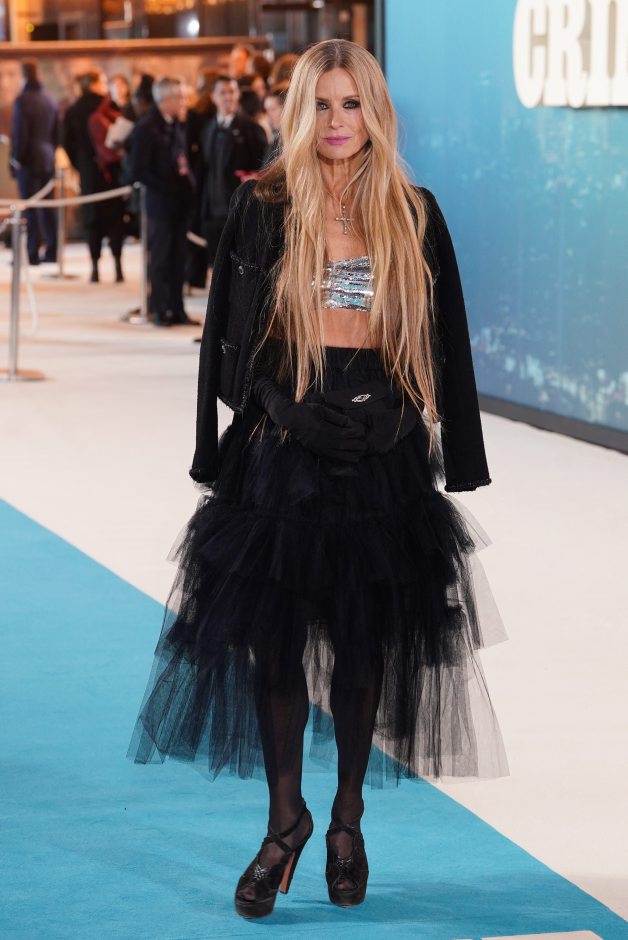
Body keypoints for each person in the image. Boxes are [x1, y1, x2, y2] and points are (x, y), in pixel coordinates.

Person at [127, 39, 509, 919]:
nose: (339, 122)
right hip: (284, 444)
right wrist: (279, 406)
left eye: (353, 104)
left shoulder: (414, 211)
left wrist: (404, 416)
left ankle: (346, 822)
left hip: (381, 447)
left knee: (363, 644)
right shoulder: (264, 207)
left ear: (376, 111)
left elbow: (440, 338)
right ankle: (284, 823)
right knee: (274, 645)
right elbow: (231, 332)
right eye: (323, 105)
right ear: (302, 112)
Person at [129, 77, 199, 327]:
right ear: (166, 100)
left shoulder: (177, 124)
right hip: (160, 204)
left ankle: (177, 308)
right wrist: (166, 185)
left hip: (179, 203)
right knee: (160, 259)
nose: (184, 102)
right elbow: (138, 170)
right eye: (180, 97)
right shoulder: (146, 128)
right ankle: (159, 309)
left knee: (179, 258)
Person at [199, 74, 267, 265]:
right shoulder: (207, 129)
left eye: (232, 91)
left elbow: (264, 168)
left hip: (240, 211)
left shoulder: (252, 129)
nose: (228, 97)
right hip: (213, 211)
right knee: (216, 266)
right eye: (223, 92)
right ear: (213, 97)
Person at [63, 70, 113, 283]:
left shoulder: (73, 110)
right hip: (110, 172)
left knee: (92, 220)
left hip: (88, 172)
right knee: (114, 218)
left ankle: (94, 267)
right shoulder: (108, 105)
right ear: (94, 83)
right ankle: (118, 266)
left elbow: (67, 143)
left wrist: (80, 165)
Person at [10, 60, 58, 265]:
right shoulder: (50, 99)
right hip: (47, 158)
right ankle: (52, 251)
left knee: (30, 207)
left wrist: (16, 159)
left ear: (23, 76)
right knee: (48, 206)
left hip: (29, 160)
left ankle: (33, 252)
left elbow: (21, 133)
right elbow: (56, 133)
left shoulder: (23, 100)